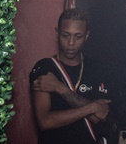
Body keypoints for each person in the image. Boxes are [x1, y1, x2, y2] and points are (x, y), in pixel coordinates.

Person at [30, 8, 113, 144]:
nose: (71, 43)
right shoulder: (44, 68)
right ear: (57, 33)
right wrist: (91, 107)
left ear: (87, 35)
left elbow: (100, 115)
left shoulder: (98, 69)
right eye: (65, 35)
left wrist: (60, 88)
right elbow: (45, 121)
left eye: (78, 36)